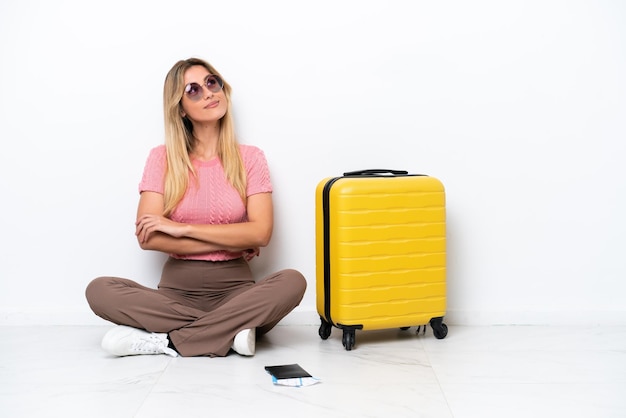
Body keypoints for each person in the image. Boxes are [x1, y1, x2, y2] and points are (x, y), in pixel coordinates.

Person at [85, 57, 307, 357]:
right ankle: (231, 334)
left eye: (212, 83)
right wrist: (233, 238)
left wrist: (182, 229)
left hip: (238, 295)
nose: (209, 93)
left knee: (293, 281)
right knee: (99, 290)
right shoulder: (161, 158)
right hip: (175, 297)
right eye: (194, 90)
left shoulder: (251, 157)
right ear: (180, 107)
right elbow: (148, 237)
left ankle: (167, 340)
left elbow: (261, 232)